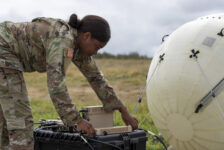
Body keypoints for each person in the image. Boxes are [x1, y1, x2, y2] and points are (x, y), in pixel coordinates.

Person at [0, 13, 138, 150]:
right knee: (20, 119)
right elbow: (56, 86)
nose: (96, 52)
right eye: (97, 47)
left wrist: (122, 109)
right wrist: (76, 121)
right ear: (87, 36)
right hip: (3, 48)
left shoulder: (76, 45)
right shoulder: (63, 40)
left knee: (6, 120)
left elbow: (96, 78)